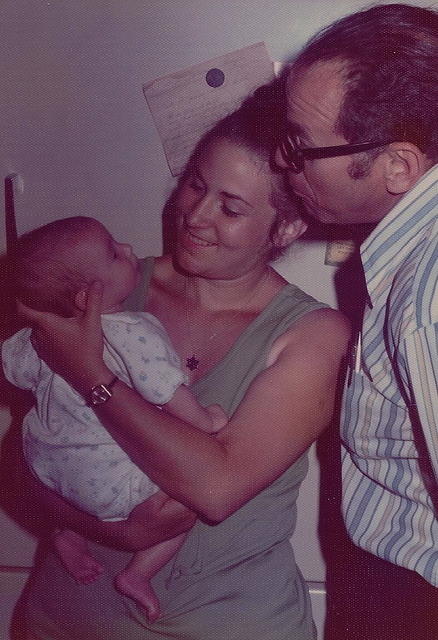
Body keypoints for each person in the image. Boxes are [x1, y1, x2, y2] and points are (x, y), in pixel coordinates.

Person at [10, 87, 350, 640]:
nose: (194, 214)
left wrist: (90, 374)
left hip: (222, 622)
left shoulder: (312, 334)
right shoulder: (106, 287)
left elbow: (215, 489)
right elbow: (24, 454)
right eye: (195, 184)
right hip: (67, 615)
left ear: (285, 229)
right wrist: (108, 532)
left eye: (231, 207)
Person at [274, 3, 438, 639]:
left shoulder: (426, 297)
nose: (287, 165)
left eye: (301, 146)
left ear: (397, 165)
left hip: (411, 599)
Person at [2, 215, 227, 621]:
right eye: (113, 252)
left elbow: (14, 369)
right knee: (189, 492)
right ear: (87, 298)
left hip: (46, 464)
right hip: (109, 479)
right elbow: (165, 389)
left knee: (77, 488)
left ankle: (67, 534)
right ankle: (139, 573)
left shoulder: (41, 336)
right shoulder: (134, 330)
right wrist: (205, 421)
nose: (127, 249)